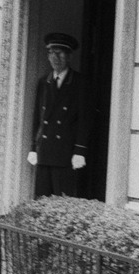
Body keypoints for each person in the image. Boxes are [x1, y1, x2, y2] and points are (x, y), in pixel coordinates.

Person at [27, 32, 91, 198]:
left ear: (69, 56)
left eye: (60, 53)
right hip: (44, 152)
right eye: (51, 53)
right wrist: (33, 147)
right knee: (41, 201)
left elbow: (84, 120)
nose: (55, 57)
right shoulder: (43, 82)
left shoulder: (80, 82)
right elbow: (37, 118)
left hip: (66, 154)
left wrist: (80, 151)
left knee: (63, 201)